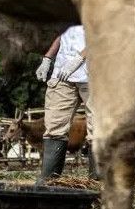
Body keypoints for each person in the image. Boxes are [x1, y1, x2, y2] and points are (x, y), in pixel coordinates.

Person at [34, 25, 93, 184]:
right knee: (54, 127)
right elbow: (62, 31)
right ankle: (48, 182)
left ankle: (98, 184)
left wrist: (80, 58)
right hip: (62, 73)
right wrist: (47, 58)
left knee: (99, 130)